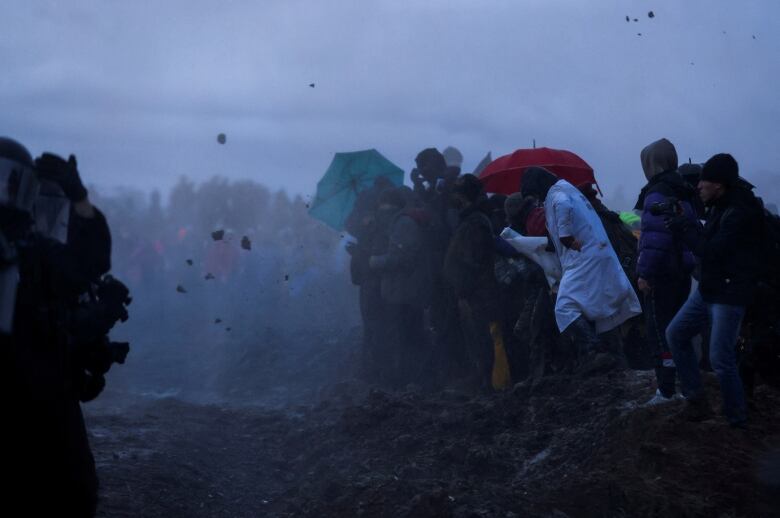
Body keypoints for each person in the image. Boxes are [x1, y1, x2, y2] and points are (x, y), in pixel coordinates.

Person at [0, 138, 113, 516]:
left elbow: (90, 265)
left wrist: (79, 200)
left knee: (71, 490)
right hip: (38, 399)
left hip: (42, 398)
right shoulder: (35, 250)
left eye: (10, 181)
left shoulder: (37, 250)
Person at [666, 154, 763, 427]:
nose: (698, 187)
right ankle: (697, 401)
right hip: (710, 289)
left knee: (721, 357)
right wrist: (688, 224)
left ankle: (736, 419)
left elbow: (712, 252)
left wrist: (685, 229)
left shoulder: (740, 212)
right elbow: (709, 243)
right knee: (676, 334)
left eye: (703, 182)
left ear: (718, 184)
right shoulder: (720, 206)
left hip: (729, 294)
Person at [521, 167, 642, 373]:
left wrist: (566, 238)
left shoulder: (558, 196)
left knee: (564, 308)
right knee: (603, 313)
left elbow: (562, 211)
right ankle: (615, 362)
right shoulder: (567, 189)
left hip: (583, 260)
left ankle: (593, 351)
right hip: (595, 257)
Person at [634, 139, 698, 404]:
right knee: (679, 331)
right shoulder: (684, 188)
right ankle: (683, 384)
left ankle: (666, 389)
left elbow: (654, 240)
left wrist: (644, 273)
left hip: (661, 274)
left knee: (659, 332)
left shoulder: (656, 192)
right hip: (682, 271)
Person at [443, 174, 504, 389]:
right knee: (476, 338)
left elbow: (474, 261)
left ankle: (487, 382)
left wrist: (463, 289)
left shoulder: (476, 222)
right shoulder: (470, 219)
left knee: (481, 338)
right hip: (471, 291)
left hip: (477, 292)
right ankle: (483, 379)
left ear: (463, 196)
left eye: (457, 193)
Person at [368, 187, 432, 388]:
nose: (380, 211)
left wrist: (375, 262)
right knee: (406, 335)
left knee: (408, 337)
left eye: (383, 206)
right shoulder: (397, 223)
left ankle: (412, 379)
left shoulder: (403, 224)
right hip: (401, 290)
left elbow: (403, 258)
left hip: (405, 291)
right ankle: (411, 378)